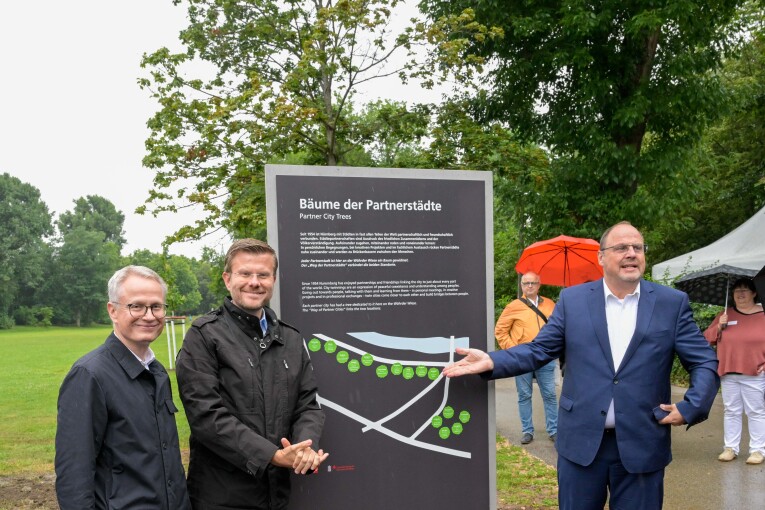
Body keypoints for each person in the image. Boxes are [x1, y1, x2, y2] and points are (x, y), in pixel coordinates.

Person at [443, 221, 719, 510]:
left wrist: (692, 406)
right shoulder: (573, 300)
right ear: (601, 257)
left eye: (638, 247)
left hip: (643, 444)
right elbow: (540, 349)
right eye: (621, 247)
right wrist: (492, 360)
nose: (631, 253)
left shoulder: (671, 303)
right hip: (581, 445)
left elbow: (703, 359)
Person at [176, 238, 327, 510]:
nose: (254, 282)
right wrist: (272, 456)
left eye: (263, 275)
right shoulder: (204, 336)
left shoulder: (290, 339)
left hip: (276, 495)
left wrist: (304, 447)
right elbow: (206, 416)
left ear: (273, 280)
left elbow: (308, 405)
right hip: (221, 497)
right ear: (227, 279)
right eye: (245, 274)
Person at [55, 266, 191, 509]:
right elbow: (74, 474)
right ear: (113, 311)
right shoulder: (90, 375)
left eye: (156, 306)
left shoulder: (157, 372)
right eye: (136, 306)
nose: (149, 316)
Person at [703, 277, 765, 465]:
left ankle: (757, 450)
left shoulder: (763, 315)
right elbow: (706, 339)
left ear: (754, 293)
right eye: (737, 290)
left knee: (755, 411)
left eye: (745, 290)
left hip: (754, 373)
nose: (740, 294)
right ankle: (730, 448)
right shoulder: (725, 314)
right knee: (731, 411)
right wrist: (719, 326)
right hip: (728, 372)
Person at [494, 271, 558, 444]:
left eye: (533, 283)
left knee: (550, 395)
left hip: (545, 357)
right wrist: (514, 350)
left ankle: (554, 430)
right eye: (526, 283)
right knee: (524, 395)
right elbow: (500, 331)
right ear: (521, 285)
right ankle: (527, 431)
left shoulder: (550, 304)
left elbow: (558, 328)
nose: (530, 286)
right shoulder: (513, 306)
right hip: (522, 358)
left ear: (539, 285)